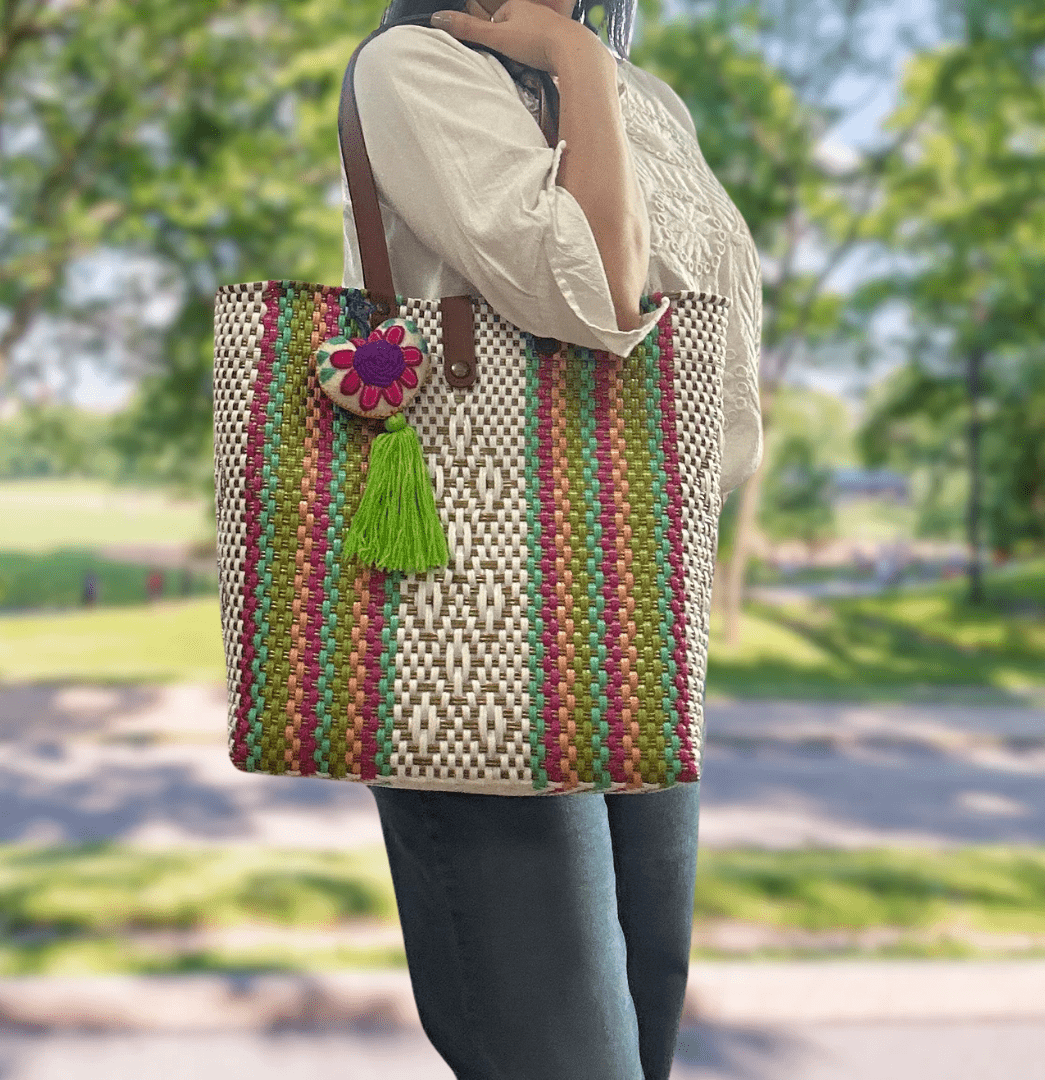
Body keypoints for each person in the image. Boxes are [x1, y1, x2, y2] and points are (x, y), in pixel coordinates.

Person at [344, 2, 762, 1077]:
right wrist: (573, 56)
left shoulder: (649, 102)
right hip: (481, 614)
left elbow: (719, 366)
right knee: (572, 1057)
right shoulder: (417, 67)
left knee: (645, 1029)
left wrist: (588, 70)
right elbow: (604, 296)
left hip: (638, 600)